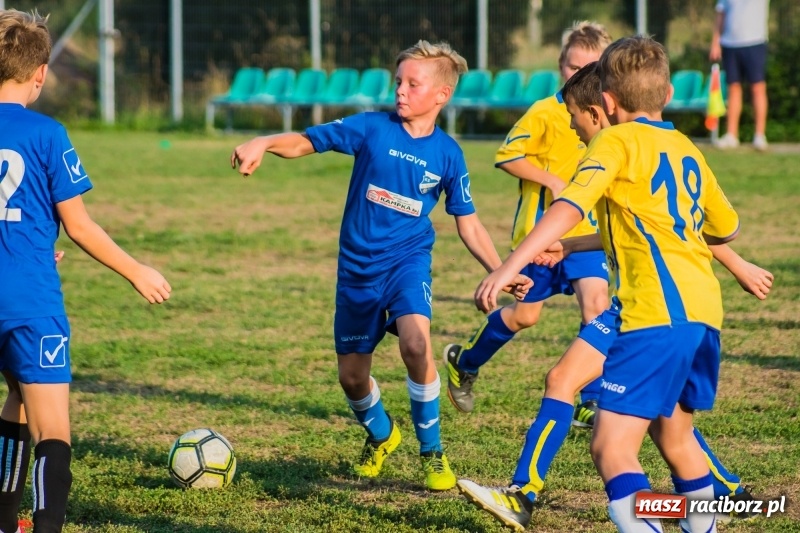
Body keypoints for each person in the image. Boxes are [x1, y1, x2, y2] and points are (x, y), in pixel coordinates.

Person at [456, 62, 773, 531]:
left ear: (602, 104)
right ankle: (701, 513)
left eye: (574, 116)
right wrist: (571, 246)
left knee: (611, 447)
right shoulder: (684, 145)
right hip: (702, 311)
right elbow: (718, 227)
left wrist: (507, 266)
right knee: (674, 436)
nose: (572, 126)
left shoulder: (614, 142)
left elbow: (568, 206)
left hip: (651, 311)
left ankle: (534, 495)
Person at [230, 40, 531, 491]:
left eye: (413, 84)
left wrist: (501, 270)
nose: (401, 91)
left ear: (442, 95)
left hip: (407, 263)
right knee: (352, 379)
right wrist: (265, 141)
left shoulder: (448, 154)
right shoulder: (371, 128)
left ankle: (432, 453)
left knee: (416, 345)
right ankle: (382, 435)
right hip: (357, 271)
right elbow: (307, 141)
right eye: (398, 81)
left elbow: (468, 223)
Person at [0, 9, 172, 533]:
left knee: (17, 398)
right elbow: (78, 225)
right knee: (52, 427)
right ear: (40, 74)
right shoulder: (48, 133)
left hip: (21, 279)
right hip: (30, 301)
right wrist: (136, 269)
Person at [443, 21, 612, 424]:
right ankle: (465, 361)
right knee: (525, 316)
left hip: (586, 237)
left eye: (590, 68)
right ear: (560, 66)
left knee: (596, 307)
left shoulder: (607, 119)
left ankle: (590, 400)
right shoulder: (546, 111)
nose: (578, 75)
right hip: (541, 237)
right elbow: (507, 155)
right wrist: (550, 179)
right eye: (572, 67)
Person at [710, 0, 770, 151]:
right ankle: (732, 135)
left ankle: (759, 135)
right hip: (729, 43)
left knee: (757, 87)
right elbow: (721, 14)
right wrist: (716, 42)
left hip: (755, 42)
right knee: (733, 88)